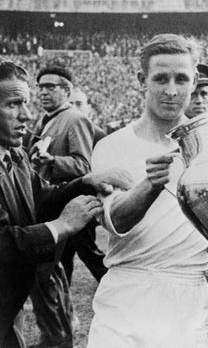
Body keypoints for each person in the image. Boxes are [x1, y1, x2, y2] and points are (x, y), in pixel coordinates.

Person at [87, 33, 208, 348]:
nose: (172, 90)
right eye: (160, 79)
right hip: (127, 291)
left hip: (188, 295)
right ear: (141, 80)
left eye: (181, 79)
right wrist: (150, 185)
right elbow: (113, 221)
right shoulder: (112, 146)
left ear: (194, 80)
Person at [0, 58, 132, 348]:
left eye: (26, 103)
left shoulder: (16, 154)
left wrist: (85, 182)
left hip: (11, 296)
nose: (25, 114)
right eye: (13, 104)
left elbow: (40, 195)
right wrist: (60, 225)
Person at [28, 66, 95, 348]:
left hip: (64, 205)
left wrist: (52, 162)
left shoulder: (74, 119)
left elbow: (83, 165)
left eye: (50, 86)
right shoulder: (49, 119)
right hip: (48, 204)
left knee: (49, 271)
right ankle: (60, 330)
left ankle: (58, 334)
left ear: (67, 91)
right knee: (53, 271)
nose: (43, 91)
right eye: (40, 86)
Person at [58, 87, 108, 287]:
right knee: (66, 250)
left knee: (85, 247)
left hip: (88, 199)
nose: (74, 108)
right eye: (71, 103)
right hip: (66, 198)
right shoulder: (68, 129)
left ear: (89, 108)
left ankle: (108, 280)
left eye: (79, 103)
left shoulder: (99, 135)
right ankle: (64, 289)